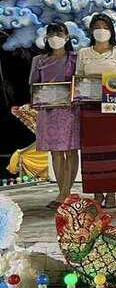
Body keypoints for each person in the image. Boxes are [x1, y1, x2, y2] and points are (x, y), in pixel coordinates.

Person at [76, 13, 116, 207]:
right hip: (89, 111)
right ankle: (97, 193)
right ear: (91, 31)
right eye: (97, 27)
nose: (101, 30)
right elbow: (78, 79)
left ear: (111, 31)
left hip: (113, 110)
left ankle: (112, 193)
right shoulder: (83, 53)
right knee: (92, 152)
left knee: (113, 151)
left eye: (105, 27)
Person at [29, 22, 79, 208]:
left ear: (67, 37)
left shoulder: (75, 58)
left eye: (59, 33)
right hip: (48, 112)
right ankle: (63, 193)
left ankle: (65, 193)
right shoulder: (39, 60)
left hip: (70, 112)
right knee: (56, 153)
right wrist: (38, 98)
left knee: (71, 151)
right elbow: (33, 85)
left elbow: (81, 83)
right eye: (51, 34)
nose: (55, 37)